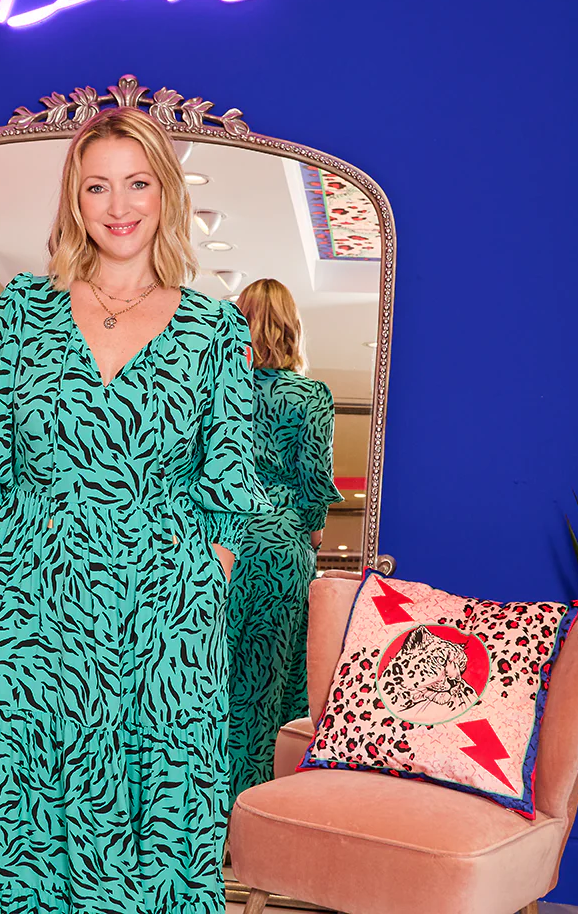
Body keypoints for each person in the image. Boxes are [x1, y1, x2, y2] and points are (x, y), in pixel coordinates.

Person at [0, 107, 265, 914]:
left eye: (137, 184)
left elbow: (227, 488)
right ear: (75, 199)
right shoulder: (22, 313)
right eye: (97, 186)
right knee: (1, 804)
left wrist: (199, 590)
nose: (118, 205)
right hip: (32, 596)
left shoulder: (213, 329)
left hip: (163, 615)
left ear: (166, 195)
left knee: (151, 816)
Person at [227, 278, 343, 801]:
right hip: (281, 549)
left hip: (221, 543)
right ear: (292, 327)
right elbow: (315, 483)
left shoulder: (219, 390)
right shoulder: (310, 396)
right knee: (267, 680)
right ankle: (251, 807)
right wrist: (311, 535)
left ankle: (197, 808)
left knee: (209, 674)